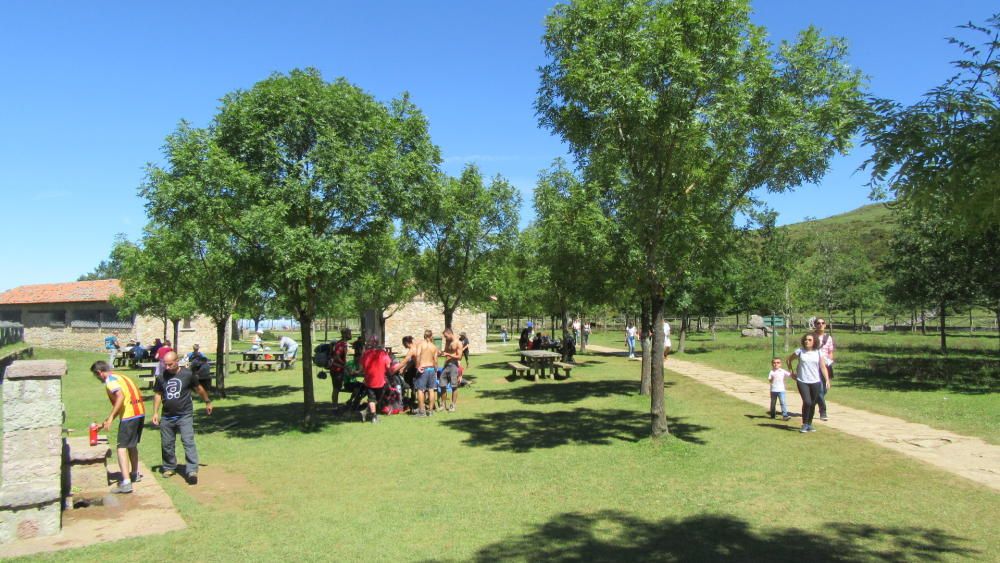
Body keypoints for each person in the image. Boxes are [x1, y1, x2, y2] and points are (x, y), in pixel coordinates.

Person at [152, 352, 213, 484]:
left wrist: (207, 401)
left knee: (187, 441)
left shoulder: (187, 374)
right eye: (165, 364)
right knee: (167, 443)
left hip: (184, 414)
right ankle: (169, 467)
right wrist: (155, 413)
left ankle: (191, 470)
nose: (167, 367)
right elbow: (158, 394)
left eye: (170, 364)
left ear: (177, 361)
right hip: (167, 416)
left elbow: (199, 389)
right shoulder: (161, 376)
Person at [90, 360, 146, 494]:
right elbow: (122, 404)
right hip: (139, 413)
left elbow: (120, 397)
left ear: (99, 372)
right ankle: (134, 474)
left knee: (121, 448)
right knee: (132, 445)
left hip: (129, 416)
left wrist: (110, 418)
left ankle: (126, 483)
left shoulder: (110, 381)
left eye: (96, 376)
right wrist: (104, 423)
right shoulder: (122, 377)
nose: (98, 379)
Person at [787, 334, 829, 433]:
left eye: (809, 340)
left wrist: (827, 379)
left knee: (813, 403)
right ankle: (804, 424)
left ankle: (809, 424)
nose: (807, 341)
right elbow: (789, 360)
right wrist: (792, 372)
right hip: (802, 381)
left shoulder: (818, 352)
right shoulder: (800, 351)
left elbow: (823, 367)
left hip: (815, 381)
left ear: (814, 341)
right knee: (807, 402)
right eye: (805, 340)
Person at [360, 338, 390, 424]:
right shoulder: (383, 353)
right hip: (380, 380)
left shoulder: (366, 354)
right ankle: (372, 416)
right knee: (376, 399)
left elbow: (362, 368)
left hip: (369, 380)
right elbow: (388, 366)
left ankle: (368, 413)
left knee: (372, 399)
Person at [812, 318, 835, 421]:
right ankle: (823, 411)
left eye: (822, 323)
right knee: (820, 389)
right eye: (818, 323)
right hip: (815, 365)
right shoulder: (811, 337)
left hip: (826, 364)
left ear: (825, 325)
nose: (820, 325)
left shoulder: (828, 338)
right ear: (815, 325)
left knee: (824, 389)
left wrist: (830, 360)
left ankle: (811, 402)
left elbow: (830, 351)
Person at [413, 329, 440, 417]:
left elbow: (417, 356)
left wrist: (418, 367)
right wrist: (436, 370)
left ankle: (422, 411)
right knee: (431, 389)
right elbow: (435, 360)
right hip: (431, 369)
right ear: (431, 336)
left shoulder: (420, 345)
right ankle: (430, 411)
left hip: (423, 369)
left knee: (420, 390)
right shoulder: (434, 347)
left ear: (424, 336)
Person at [439, 329, 462, 412]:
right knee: (442, 385)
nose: (445, 338)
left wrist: (448, 354)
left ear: (450, 334)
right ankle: (443, 405)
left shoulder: (458, 343)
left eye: (446, 336)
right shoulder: (447, 342)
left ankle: (453, 405)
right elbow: (445, 351)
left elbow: (459, 357)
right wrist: (441, 353)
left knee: (454, 386)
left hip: (454, 366)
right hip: (446, 365)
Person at [329, 328, 352, 409]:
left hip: (338, 369)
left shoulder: (341, 343)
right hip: (336, 370)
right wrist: (344, 364)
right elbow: (336, 356)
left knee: (337, 388)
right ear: (345, 334)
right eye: (349, 333)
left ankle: (335, 405)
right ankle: (334, 406)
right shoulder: (341, 344)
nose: (351, 335)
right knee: (336, 388)